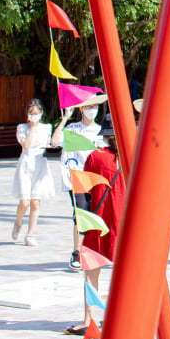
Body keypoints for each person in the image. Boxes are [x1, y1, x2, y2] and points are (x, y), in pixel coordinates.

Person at [70, 130, 122, 335]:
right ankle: (120, 317)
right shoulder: (132, 155)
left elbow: (86, 189)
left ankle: (89, 319)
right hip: (124, 221)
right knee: (124, 273)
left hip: (98, 220)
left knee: (91, 272)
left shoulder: (96, 156)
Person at [12, 100, 63, 247]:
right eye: (31, 113)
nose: (34, 116)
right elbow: (26, 145)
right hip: (26, 164)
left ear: (41, 114)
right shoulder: (22, 128)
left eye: (36, 113)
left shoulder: (47, 128)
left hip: (40, 164)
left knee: (35, 201)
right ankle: (18, 222)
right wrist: (32, 128)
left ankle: (30, 234)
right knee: (24, 200)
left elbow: (50, 143)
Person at [62, 98, 105, 269]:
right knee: (80, 215)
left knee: (95, 214)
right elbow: (55, 141)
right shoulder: (73, 129)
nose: (92, 110)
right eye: (88, 106)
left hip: (98, 180)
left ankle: (92, 250)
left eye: (95, 106)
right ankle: (76, 252)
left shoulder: (102, 130)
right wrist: (65, 118)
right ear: (81, 108)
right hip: (78, 178)